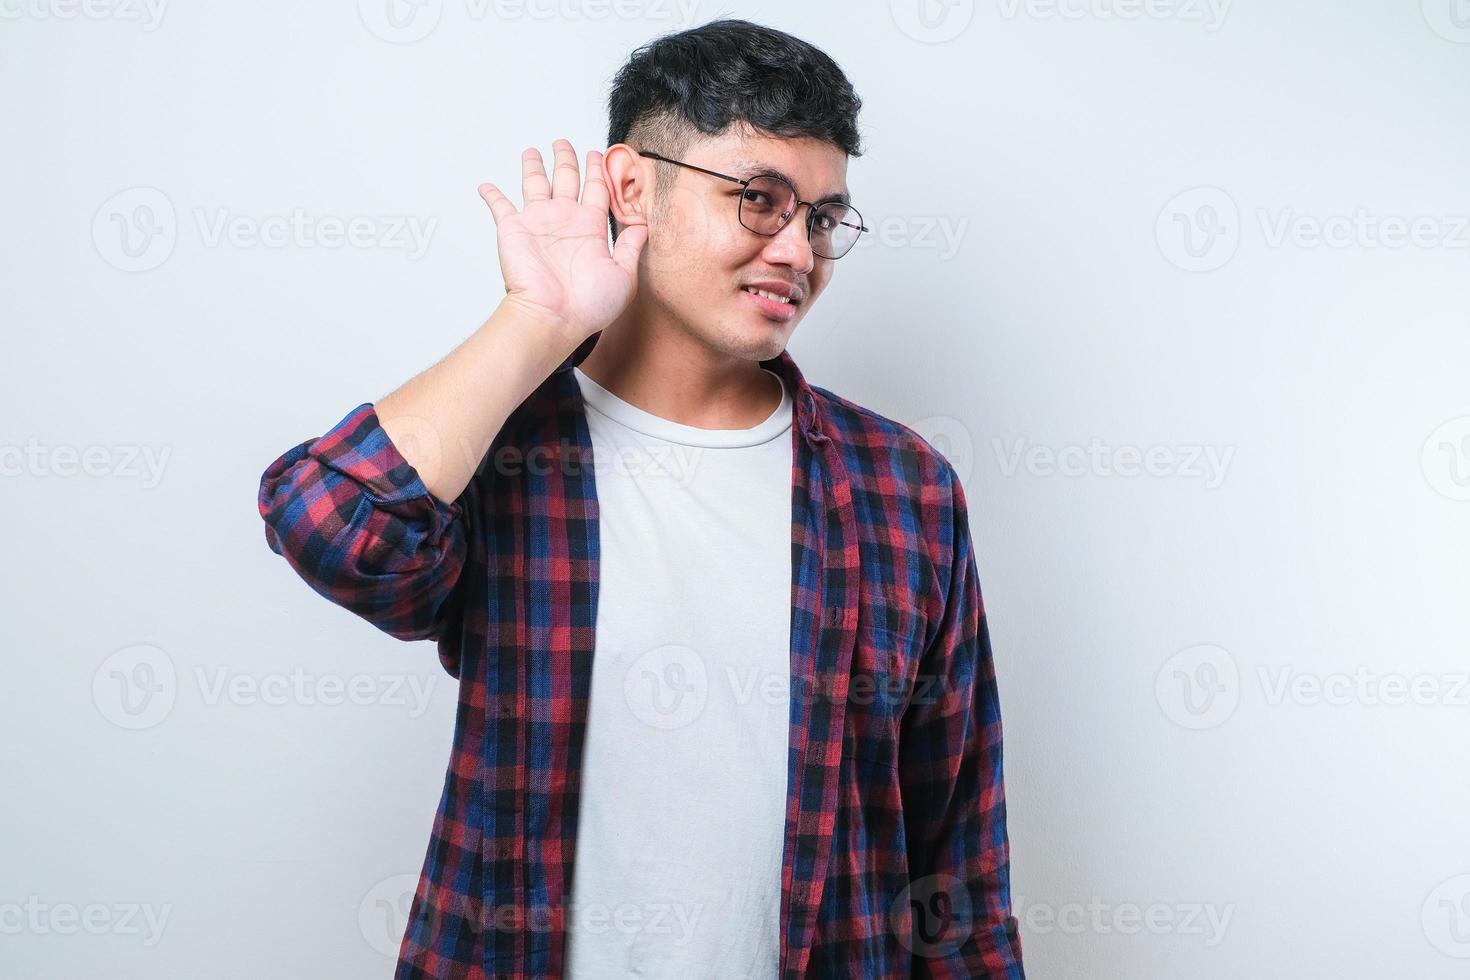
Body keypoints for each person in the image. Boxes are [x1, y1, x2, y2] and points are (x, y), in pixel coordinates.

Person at [256, 17, 1023, 979]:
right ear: (631, 188)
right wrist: (536, 322)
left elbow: (959, 860)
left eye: (822, 218)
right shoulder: (508, 448)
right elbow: (329, 524)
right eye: (758, 200)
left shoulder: (901, 487)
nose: (797, 252)